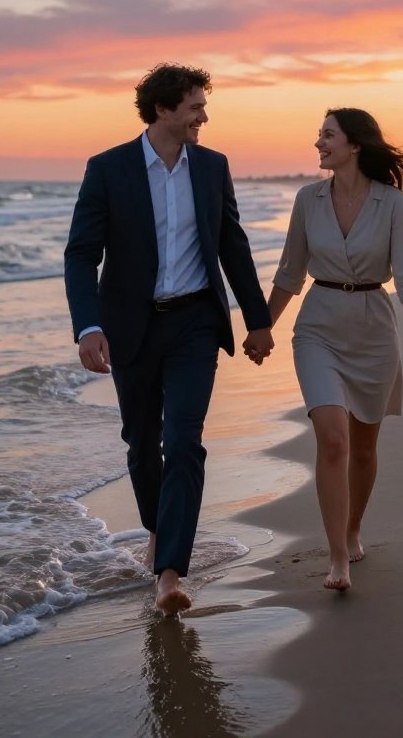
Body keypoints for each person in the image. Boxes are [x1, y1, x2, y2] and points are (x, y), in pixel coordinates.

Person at [64, 64, 273, 615]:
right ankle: (159, 532)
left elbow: (232, 243)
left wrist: (258, 320)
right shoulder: (108, 169)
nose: (204, 116)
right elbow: (81, 254)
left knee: (183, 440)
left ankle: (170, 574)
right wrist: (88, 326)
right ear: (163, 110)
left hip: (195, 325)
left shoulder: (212, 167)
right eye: (195, 107)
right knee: (141, 444)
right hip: (131, 326)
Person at [251, 108, 403, 593]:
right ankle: (338, 555)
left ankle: (354, 526)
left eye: (328, 135)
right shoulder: (307, 199)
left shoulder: (391, 203)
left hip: (374, 330)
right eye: (319, 134)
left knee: (363, 448)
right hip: (318, 327)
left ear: (354, 144)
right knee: (332, 438)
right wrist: (262, 328)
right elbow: (290, 272)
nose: (318, 142)